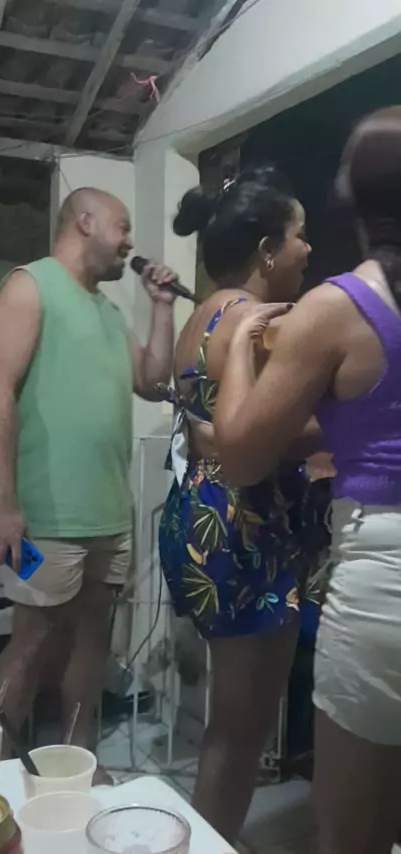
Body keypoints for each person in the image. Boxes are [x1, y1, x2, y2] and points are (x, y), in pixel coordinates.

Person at [214, 108, 401, 854]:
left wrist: (242, 344)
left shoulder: (337, 307)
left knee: (352, 834)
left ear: (352, 199)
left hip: (386, 581)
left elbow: (240, 457)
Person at [0, 187, 177, 781]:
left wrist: (162, 307)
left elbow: (152, 380)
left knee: (93, 643)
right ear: (86, 222)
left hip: (108, 513)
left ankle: (76, 766)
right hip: (45, 515)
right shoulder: (30, 286)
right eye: (123, 227)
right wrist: (2, 502)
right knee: (33, 641)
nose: (129, 242)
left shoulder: (107, 311)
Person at [158, 166, 323, 843]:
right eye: (299, 234)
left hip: (198, 518)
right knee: (240, 732)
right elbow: (263, 434)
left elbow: (206, 425)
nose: (307, 249)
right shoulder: (258, 327)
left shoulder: (201, 316)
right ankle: (211, 843)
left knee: (229, 727)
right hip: (245, 529)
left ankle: (210, 838)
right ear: (266, 251)